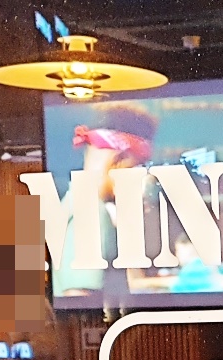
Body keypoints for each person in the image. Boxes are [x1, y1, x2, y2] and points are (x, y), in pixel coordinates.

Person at [54, 103, 158, 314]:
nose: (145, 178)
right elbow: (80, 305)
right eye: (138, 167)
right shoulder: (90, 214)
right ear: (118, 161)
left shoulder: (78, 204)